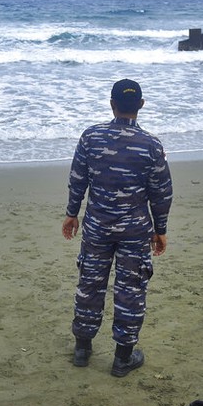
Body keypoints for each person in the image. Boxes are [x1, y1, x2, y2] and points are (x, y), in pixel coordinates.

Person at [62, 78, 173, 377]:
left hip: (97, 225)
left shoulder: (91, 137)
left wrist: (72, 213)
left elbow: (78, 179)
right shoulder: (151, 145)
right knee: (131, 289)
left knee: (90, 284)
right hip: (134, 230)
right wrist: (160, 229)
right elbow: (161, 192)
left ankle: (82, 349)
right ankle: (123, 358)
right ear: (141, 105)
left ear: (112, 104)